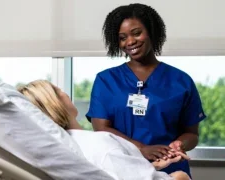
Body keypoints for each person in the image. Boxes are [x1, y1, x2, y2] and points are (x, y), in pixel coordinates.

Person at [85, 3, 206, 178]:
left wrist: (179, 144)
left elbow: (192, 134)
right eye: (122, 37)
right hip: (122, 171)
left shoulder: (181, 81)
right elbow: (102, 130)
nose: (130, 42)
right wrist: (141, 149)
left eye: (136, 33)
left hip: (171, 170)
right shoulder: (106, 80)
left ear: (151, 31)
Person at [18, 80, 191, 180]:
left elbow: (103, 173)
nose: (64, 92)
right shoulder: (100, 144)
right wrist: (179, 177)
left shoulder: (61, 149)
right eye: (57, 90)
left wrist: (149, 166)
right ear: (54, 103)